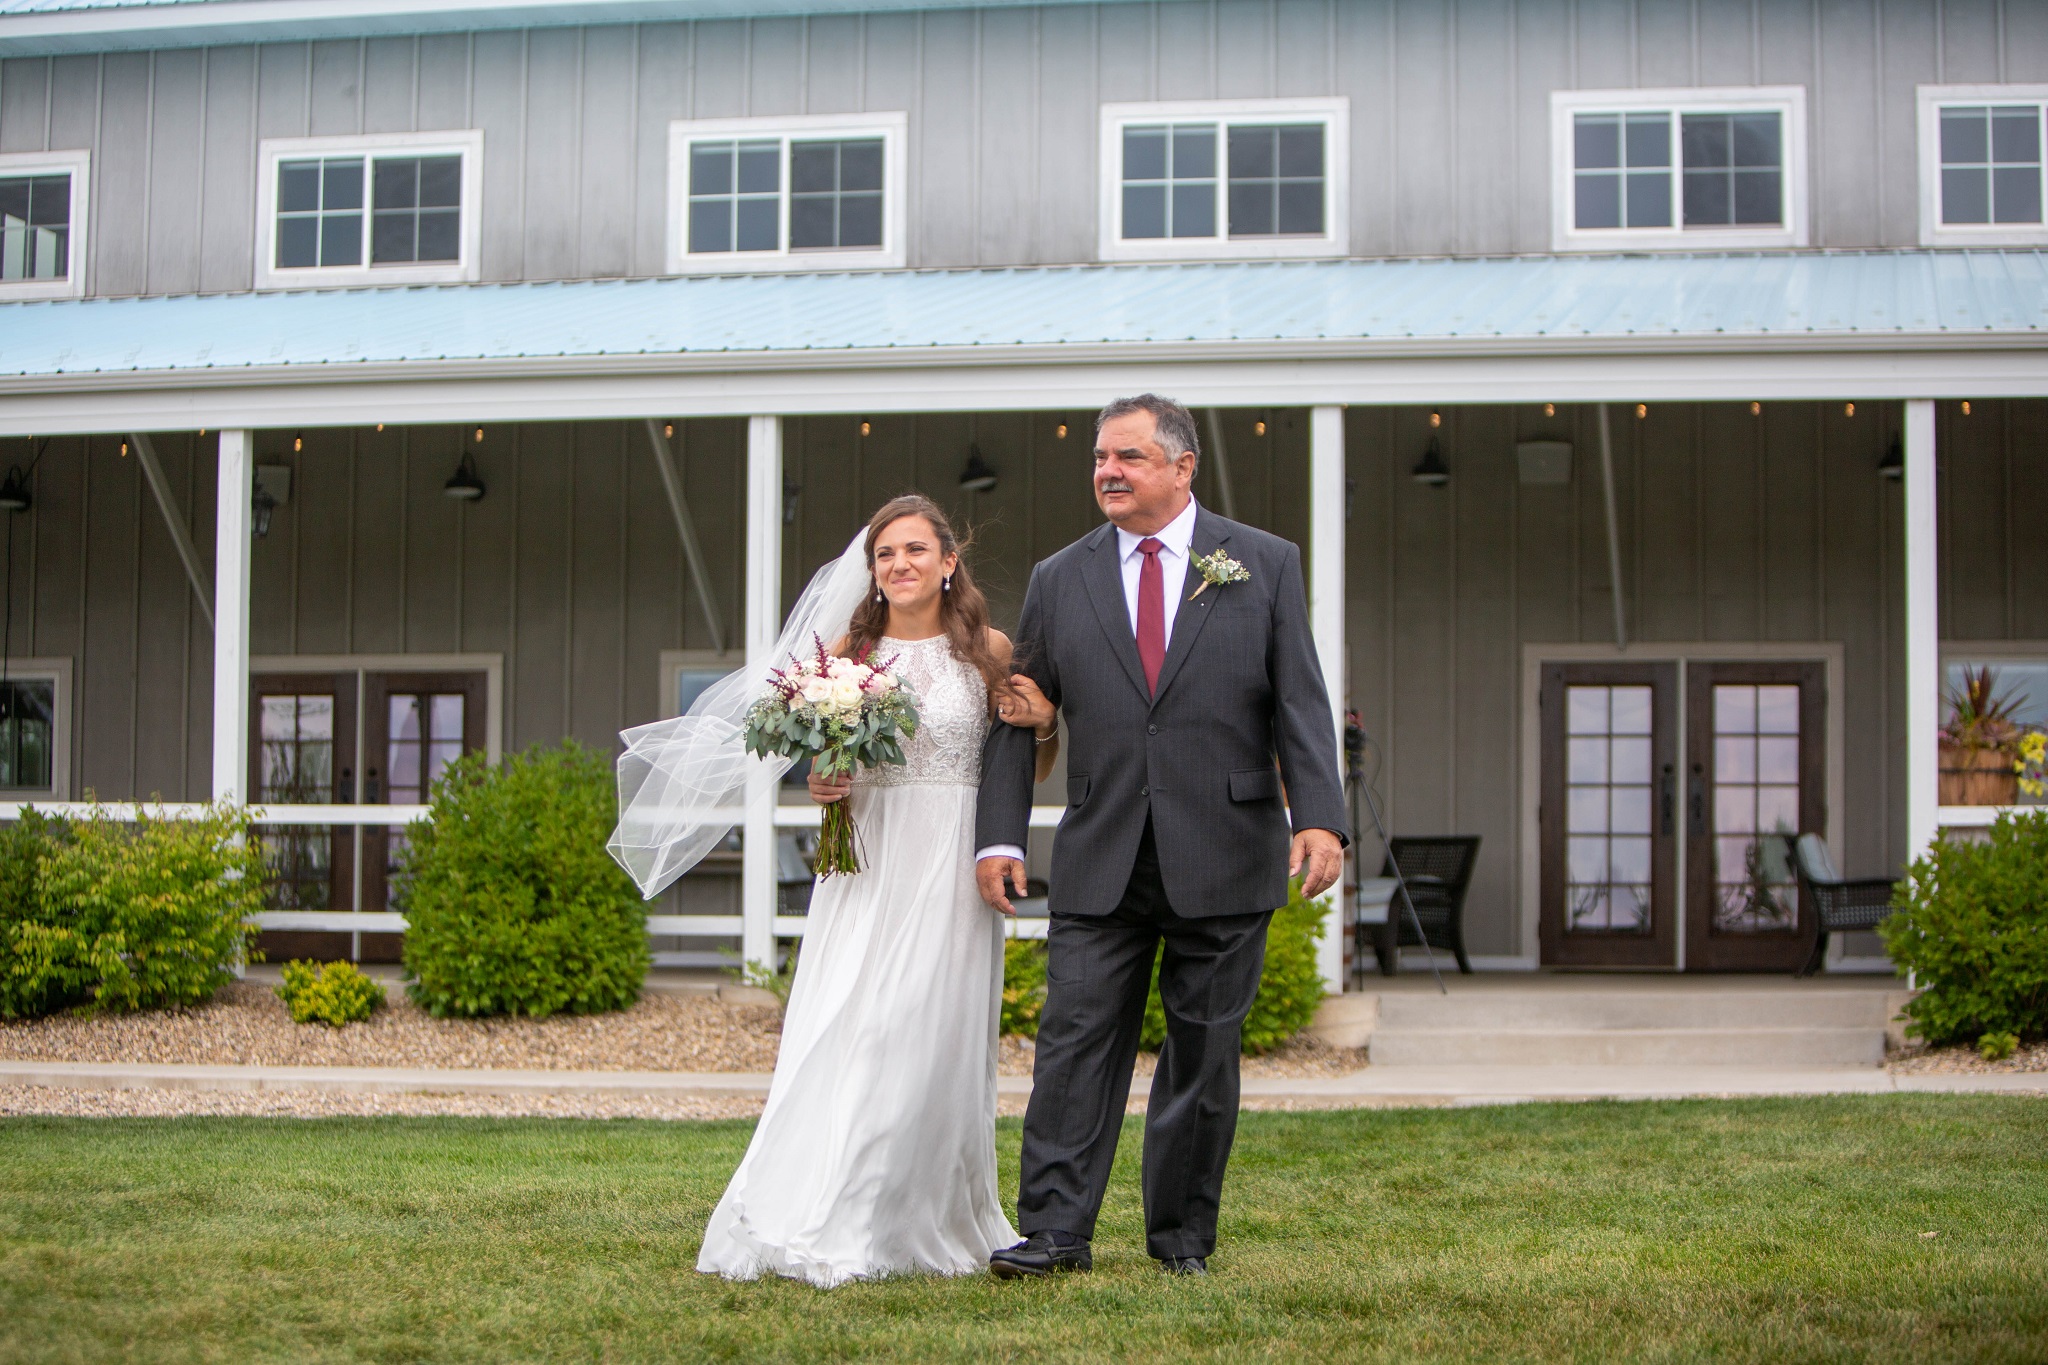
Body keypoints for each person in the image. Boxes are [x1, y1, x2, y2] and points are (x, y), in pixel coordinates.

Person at [975, 394, 1348, 1279]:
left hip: (1226, 848)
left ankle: (1181, 1238)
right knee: (1073, 1044)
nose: (1108, 471)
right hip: (1102, 852)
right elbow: (1017, 714)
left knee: (1203, 1054)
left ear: (1182, 468)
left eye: (1129, 457)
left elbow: (1300, 700)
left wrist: (1323, 817)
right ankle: (1056, 1231)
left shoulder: (1263, 563)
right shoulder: (1059, 577)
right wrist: (1001, 837)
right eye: (1102, 458)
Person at [679, 494, 1056, 1287]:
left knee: (933, 1029)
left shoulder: (987, 648)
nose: (901, 565)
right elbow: (823, 764)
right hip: (868, 858)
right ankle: (839, 1209)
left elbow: (1019, 756)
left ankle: (925, 1211)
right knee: (857, 1023)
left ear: (949, 561)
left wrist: (1045, 722)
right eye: (887, 554)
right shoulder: (847, 652)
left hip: (952, 861)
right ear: (873, 569)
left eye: (917, 550)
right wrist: (824, 779)